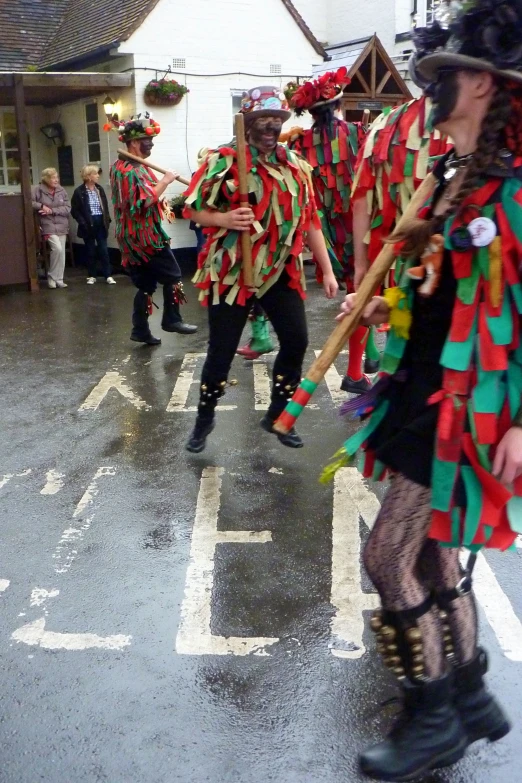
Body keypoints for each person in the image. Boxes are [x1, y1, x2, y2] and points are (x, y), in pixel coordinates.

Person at [332, 0, 522, 778]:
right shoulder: (458, 181)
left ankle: (431, 713)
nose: (435, 87)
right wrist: (380, 306)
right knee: (437, 557)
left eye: (451, 74)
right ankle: (471, 695)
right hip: (425, 386)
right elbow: (448, 295)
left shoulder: (513, 192)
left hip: (470, 405)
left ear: (485, 86)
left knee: (386, 555)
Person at [183, 85, 338, 453]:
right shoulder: (224, 160)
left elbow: (311, 219)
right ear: (248, 123)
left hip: (281, 270)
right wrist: (224, 217)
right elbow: (191, 209)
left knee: (297, 340)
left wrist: (327, 271)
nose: (270, 128)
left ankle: (279, 415)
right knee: (221, 351)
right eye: (263, 121)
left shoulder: (296, 166)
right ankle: (204, 418)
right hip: (233, 270)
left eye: (276, 121)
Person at [348, 95, 452, 390]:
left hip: (399, 253)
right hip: (413, 255)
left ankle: (370, 368)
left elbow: (361, 202)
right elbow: (362, 199)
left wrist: (361, 262)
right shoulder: (484, 128)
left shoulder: (384, 124)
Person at [288, 68, 372, 394]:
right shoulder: (359, 134)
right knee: (361, 295)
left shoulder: (298, 144)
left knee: (358, 294)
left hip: (322, 233)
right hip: (357, 228)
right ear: (339, 104)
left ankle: (369, 357)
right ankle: (354, 374)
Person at [109, 115, 197, 345]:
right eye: (148, 141)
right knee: (174, 276)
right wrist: (166, 180)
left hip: (131, 238)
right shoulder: (131, 171)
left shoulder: (122, 167)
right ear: (135, 142)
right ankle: (172, 319)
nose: (152, 145)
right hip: (145, 237)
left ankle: (140, 330)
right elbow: (145, 201)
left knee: (146, 285)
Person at [71, 165, 116, 285]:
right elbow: (75, 210)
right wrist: (82, 222)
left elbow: (105, 206)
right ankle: (92, 275)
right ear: (89, 176)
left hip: (100, 221)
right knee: (90, 250)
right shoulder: (79, 191)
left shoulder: (99, 189)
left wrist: (107, 219)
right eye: (95, 174)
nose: (98, 176)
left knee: (103, 250)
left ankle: (108, 275)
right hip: (87, 223)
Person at [32, 168, 71, 289]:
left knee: (62, 252)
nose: (56, 180)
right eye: (53, 178)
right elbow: (30, 202)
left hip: (61, 224)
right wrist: (42, 206)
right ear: (46, 179)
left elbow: (67, 208)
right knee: (57, 249)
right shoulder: (38, 190)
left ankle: (59, 278)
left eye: (57, 177)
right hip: (47, 224)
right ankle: (52, 276)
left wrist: (52, 210)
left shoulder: (61, 190)